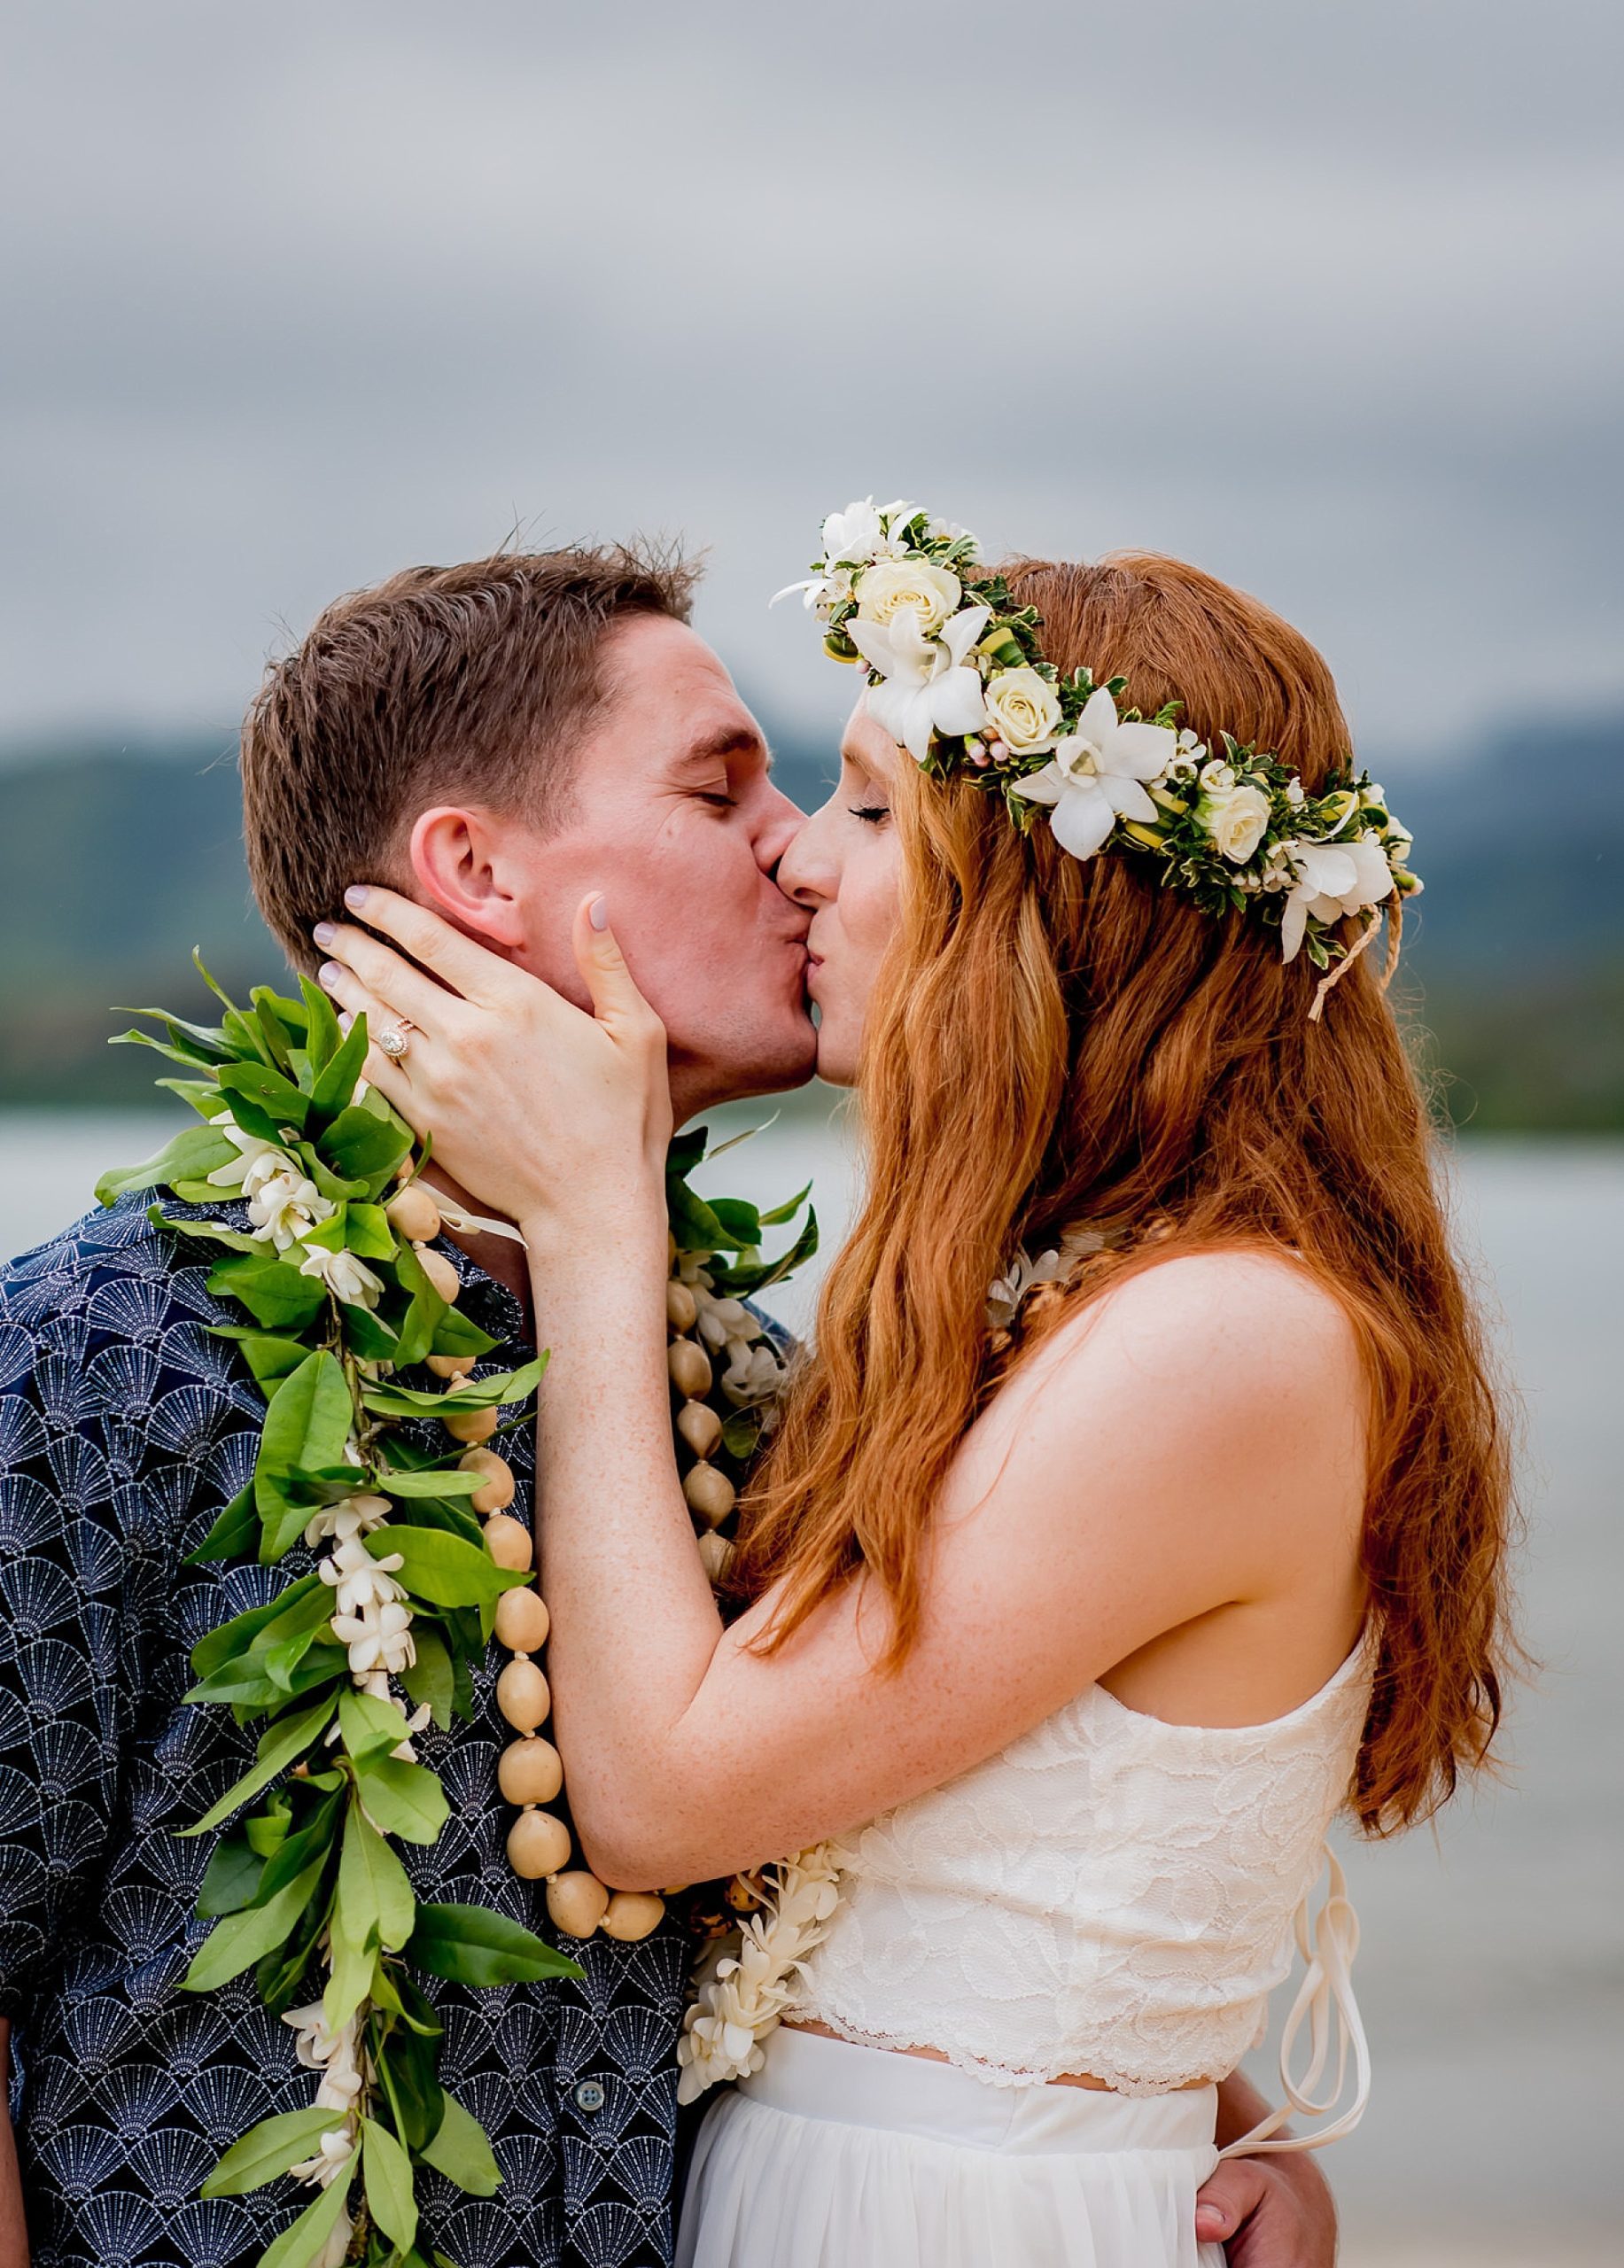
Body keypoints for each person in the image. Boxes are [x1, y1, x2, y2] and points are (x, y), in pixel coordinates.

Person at [0, 541, 1318, 2268]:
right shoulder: (110, 1353)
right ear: (472, 868)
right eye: (724, 787)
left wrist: (1220, 2125)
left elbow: (920, 1849)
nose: (790, 842)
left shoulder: (735, 1372)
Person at [311, 530, 1514, 2267]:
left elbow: (661, 1795)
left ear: (1047, 887)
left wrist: (595, 1218)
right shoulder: (1083, 1295)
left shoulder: (1222, 1338)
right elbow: (992, 1852)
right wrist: (1217, 2108)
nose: (796, 850)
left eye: (869, 807)